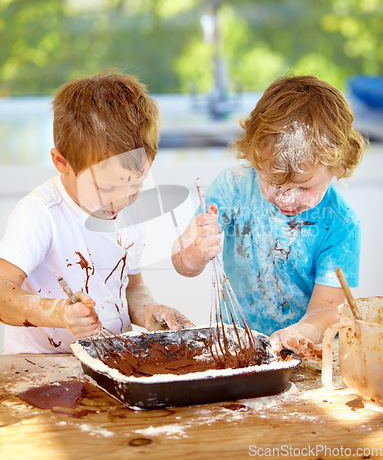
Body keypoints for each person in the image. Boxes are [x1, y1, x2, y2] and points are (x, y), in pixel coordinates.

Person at [172, 75, 367, 360]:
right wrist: (195, 250)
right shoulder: (233, 187)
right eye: (275, 183)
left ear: (338, 164)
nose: (287, 198)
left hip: (302, 358)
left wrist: (303, 332)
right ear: (254, 156)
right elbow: (182, 264)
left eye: (304, 187)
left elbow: (328, 309)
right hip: (235, 347)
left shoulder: (341, 225)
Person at [0, 71, 192, 354]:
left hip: (110, 362)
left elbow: (131, 285)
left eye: (136, 185)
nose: (122, 201)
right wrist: (58, 313)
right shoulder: (40, 213)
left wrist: (147, 311)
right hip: (43, 371)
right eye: (106, 189)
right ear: (61, 162)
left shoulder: (129, 208)